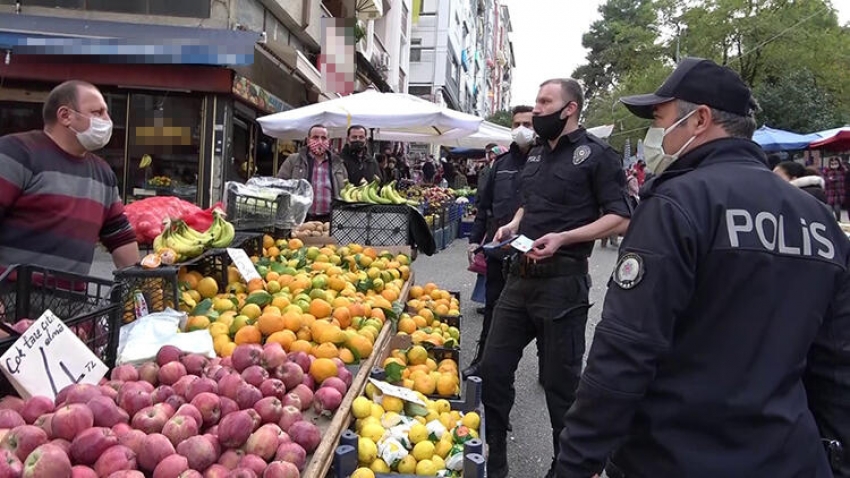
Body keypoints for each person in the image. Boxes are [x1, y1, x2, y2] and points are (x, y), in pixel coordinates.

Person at [556, 57, 850, 478]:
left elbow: (625, 351)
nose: (654, 134)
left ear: (699, 120)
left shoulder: (677, 204)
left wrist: (574, 464)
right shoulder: (819, 220)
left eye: (659, 118)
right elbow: (838, 364)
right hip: (788, 458)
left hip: (672, 456)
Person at [480, 79, 631, 478]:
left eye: (545, 102)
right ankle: (495, 453)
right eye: (536, 101)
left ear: (570, 109)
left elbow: (621, 216)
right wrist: (513, 224)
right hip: (519, 277)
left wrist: (565, 237)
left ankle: (563, 467)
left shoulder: (596, 156)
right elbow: (531, 204)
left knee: (562, 388)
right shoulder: (533, 157)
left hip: (563, 284)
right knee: (493, 371)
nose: (537, 110)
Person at [0, 80, 139, 275]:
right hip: (13, 298)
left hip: (71, 303)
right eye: (97, 112)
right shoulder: (16, 153)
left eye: (106, 112)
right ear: (65, 116)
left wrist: (143, 286)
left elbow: (120, 236)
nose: (107, 121)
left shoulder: (103, 173)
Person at [464, 105, 538, 380]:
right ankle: (482, 362)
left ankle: (546, 365)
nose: (522, 129)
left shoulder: (545, 160)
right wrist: (474, 241)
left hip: (533, 252)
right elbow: (484, 206)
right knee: (494, 309)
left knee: (534, 316)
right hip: (499, 250)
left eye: (528, 124)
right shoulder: (501, 165)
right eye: (517, 123)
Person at [277, 124, 347, 223]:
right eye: (315, 137)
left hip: (329, 220)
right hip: (300, 218)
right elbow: (280, 184)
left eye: (323, 138)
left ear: (329, 141)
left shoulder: (338, 163)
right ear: (308, 139)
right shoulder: (294, 160)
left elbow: (345, 189)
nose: (320, 141)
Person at [823, 156, 846, 221]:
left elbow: (844, 180)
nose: (834, 165)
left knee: (837, 209)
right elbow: (824, 180)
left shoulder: (842, 171)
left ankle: (838, 221)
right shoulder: (826, 171)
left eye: (835, 163)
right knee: (829, 209)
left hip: (838, 193)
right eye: (832, 163)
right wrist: (829, 180)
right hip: (829, 193)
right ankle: (830, 221)